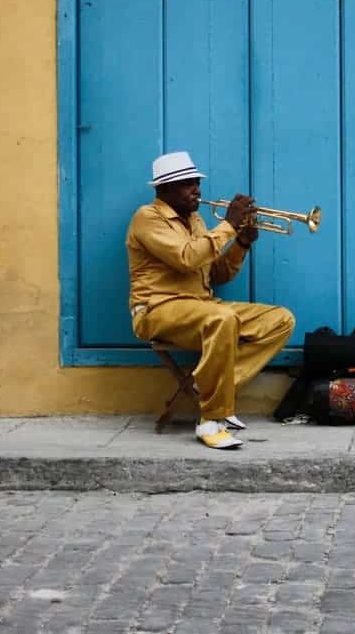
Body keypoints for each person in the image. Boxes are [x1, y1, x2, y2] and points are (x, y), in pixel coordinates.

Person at [126, 151, 295, 450]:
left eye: (197, 182)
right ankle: (210, 421)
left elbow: (217, 274)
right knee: (222, 319)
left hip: (202, 305)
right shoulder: (147, 218)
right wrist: (229, 225)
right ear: (163, 189)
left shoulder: (197, 221)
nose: (197, 190)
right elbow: (187, 258)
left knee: (281, 319)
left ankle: (205, 385)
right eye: (187, 184)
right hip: (157, 308)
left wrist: (241, 244)